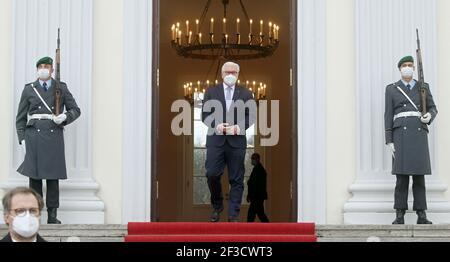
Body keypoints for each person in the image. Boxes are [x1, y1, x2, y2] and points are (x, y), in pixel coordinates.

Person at [16, 56, 81, 224]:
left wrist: (65, 117)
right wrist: (22, 139)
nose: (43, 69)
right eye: (40, 66)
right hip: (34, 137)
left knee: (53, 178)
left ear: (52, 70)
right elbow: (20, 118)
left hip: (53, 135)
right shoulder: (29, 89)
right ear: (37, 70)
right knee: (35, 178)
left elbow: (76, 110)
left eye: (46, 66)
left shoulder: (61, 88)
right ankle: (35, 214)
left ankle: (52, 215)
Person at [384, 55, 437, 225]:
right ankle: (400, 214)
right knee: (401, 177)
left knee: (419, 177)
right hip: (401, 135)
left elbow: (432, 108)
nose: (407, 67)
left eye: (410, 65)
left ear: (414, 69)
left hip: (418, 132)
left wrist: (429, 116)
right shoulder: (392, 89)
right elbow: (388, 115)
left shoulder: (423, 87)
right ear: (400, 69)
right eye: (404, 65)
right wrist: (389, 139)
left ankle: (421, 214)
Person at [202, 61, 255, 222]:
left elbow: (251, 116)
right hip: (216, 140)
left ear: (238, 74)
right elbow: (204, 115)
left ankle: (233, 215)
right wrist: (217, 126)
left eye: (234, 72)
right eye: (227, 72)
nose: (230, 75)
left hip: (237, 142)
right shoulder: (211, 92)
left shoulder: (246, 94)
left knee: (237, 179)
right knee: (211, 174)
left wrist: (239, 128)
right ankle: (217, 206)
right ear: (222, 74)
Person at [247, 153, 269, 223]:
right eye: (252, 158)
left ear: (257, 159)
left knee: (251, 215)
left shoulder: (259, 170)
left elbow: (255, 184)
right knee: (260, 214)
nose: (252, 160)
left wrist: (251, 195)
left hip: (257, 197)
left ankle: (249, 230)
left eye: (253, 158)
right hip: (256, 197)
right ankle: (269, 228)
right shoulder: (257, 169)